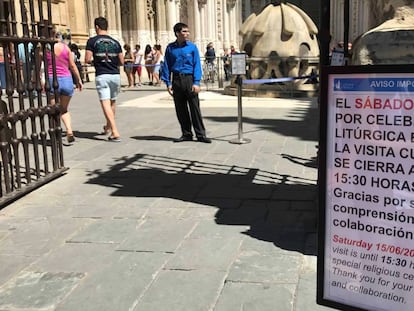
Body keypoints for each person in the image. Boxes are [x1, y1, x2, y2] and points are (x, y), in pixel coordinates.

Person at [161, 22, 211, 143]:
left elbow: (196, 65)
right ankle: (186, 133)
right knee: (180, 109)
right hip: (177, 79)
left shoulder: (192, 47)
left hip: (189, 79)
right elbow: (166, 65)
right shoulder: (170, 48)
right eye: (184, 31)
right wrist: (168, 83)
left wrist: (196, 82)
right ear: (177, 33)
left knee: (195, 108)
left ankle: (200, 134)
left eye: (187, 31)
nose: (187, 34)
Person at [85, 16, 123, 142]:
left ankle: (115, 130)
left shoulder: (92, 41)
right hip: (115, 74)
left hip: (102, 74)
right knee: (112, 102)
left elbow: (87, 59)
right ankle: (108, 126)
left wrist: (95, 61)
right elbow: (121, 61)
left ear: (96, 27)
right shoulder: (115, 42)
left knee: (105, 103)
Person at [47, 30, 83, 143]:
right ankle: (69, 130)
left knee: (53, 110)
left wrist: (35, 78)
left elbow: (38, 66)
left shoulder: (43, 48)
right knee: (64, 109)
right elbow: (72, 65)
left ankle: (56, 135)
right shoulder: (65, 48)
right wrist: (79, 80)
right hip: (67, 80)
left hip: (53, 79)